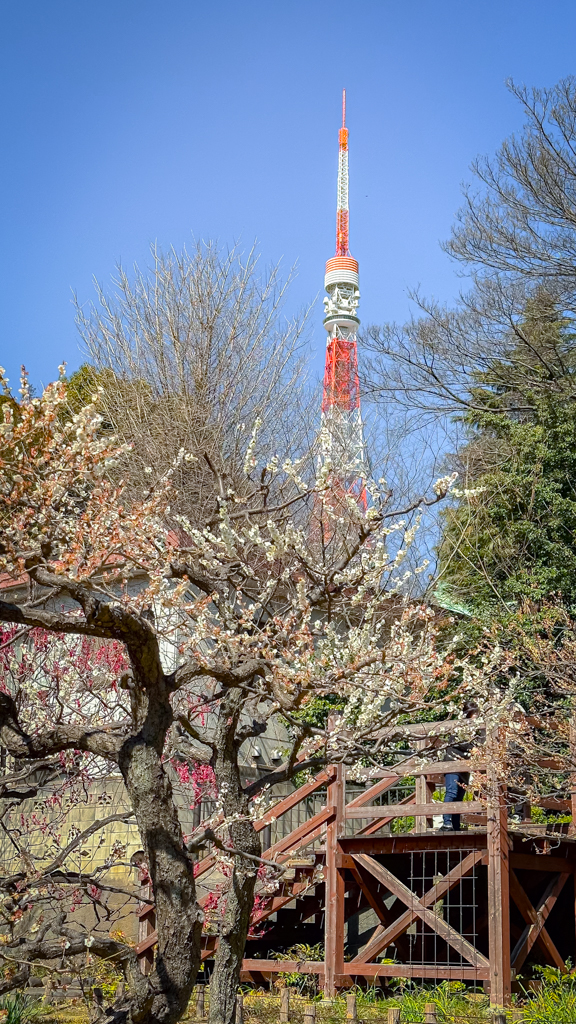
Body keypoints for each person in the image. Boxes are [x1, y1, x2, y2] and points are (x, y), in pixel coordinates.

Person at [436, 704, 480, 832]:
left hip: (464, 765)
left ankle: (455, 825)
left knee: (459, 796)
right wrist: (472, 748)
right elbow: (455, 741)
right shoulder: (458, 725)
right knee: (452, 792)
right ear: (468, 713)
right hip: (453, 762)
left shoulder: (475, 728)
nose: (476, 716)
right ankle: (447, 823)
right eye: (474, 713)